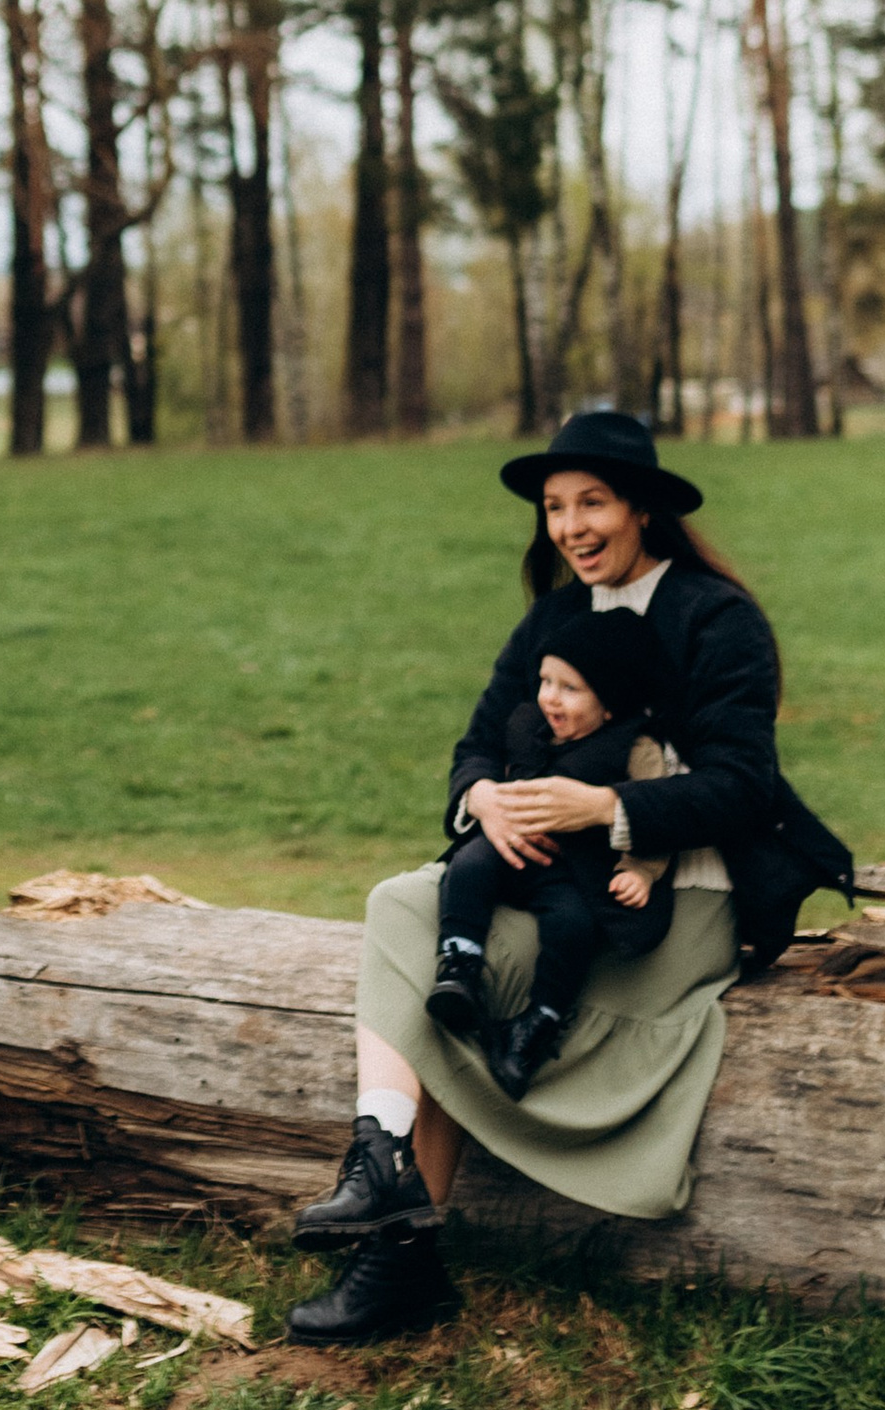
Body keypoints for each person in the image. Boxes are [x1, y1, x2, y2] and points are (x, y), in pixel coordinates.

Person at [283, 410, 851, 1348]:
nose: (571, 527)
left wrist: (605, 809)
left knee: (442, 968)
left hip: (671, 894)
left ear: (642, 510)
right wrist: (484, 800)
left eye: (593, 503)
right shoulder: (552, 618)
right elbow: (476, 746)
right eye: (555, 508)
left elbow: (744, 786)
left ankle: (400, 1258)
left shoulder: (717, 617)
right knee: (402, 905)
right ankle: (379, 1162)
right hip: (553, 876)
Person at [426, 607, 672, 1097]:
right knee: (467, 868)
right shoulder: (526, 722)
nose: (550, 698)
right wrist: (486, 800)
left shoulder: (635, 749)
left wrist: (640, 871)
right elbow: (483, 758)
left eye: (569, 688)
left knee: (572, 926)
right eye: (545, 681)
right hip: (511, 846)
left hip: (573, 871)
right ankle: (460, 965)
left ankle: (538, 1022)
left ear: (611, 704)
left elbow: (656, 817)